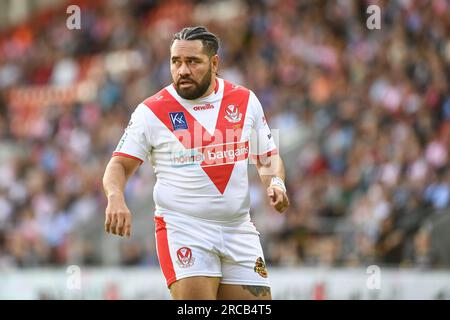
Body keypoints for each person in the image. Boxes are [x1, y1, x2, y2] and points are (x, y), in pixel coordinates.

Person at [102, 26, 290, 300]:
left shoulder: (245, 100)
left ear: (214, 63)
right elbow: (118, 165)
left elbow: (267, 158)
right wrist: (116, 197)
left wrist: (276, 182)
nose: (183, 70)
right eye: (176, 62)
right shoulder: (151, 111)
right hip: (184, 228)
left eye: (193, 62)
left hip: (239, 228)